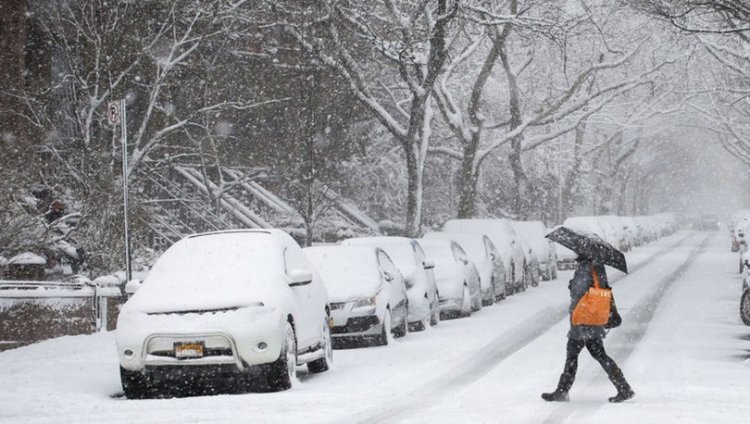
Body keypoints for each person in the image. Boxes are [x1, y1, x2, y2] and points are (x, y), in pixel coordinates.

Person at [541, 254, 634, 403]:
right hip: (590, 319)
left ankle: (563, 391)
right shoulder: (597, 265)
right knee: (593, 354)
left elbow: (579, 291)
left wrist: (572, 284)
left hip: (584, 320)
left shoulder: (586, 267)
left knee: (576, 354)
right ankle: (623, 387)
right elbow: (601, 288)